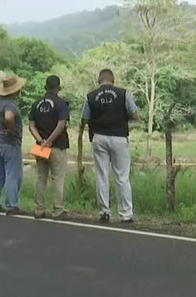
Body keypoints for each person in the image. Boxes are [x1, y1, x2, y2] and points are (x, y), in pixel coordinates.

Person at [80, 69, 140, 224]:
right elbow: (135, 114)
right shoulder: (123, 93)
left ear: (99, 79)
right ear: (113, 79)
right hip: (119, 137)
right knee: (122, 177)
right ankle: (126, 214)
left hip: (99, 137)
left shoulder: (90, 96)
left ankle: (104, 212)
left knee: (102, 175)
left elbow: (85, 118)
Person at [28, 75, 70, 220]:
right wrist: (50, 141)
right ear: (59, 87)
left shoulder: (36, 103)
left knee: (41, 178)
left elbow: (31, 126)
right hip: (57, 146)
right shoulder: (61, 103)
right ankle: (58, 210)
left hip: (40, 148)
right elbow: (61, 125)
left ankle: (39, 209)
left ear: (45, 87)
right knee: (57, 178)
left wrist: (41, 140)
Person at [0, 74, 26, 216]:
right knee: (13, 174)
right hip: (10, 143)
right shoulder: (10, 104)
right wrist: (11, 130)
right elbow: (9, 117)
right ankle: (12, 205)